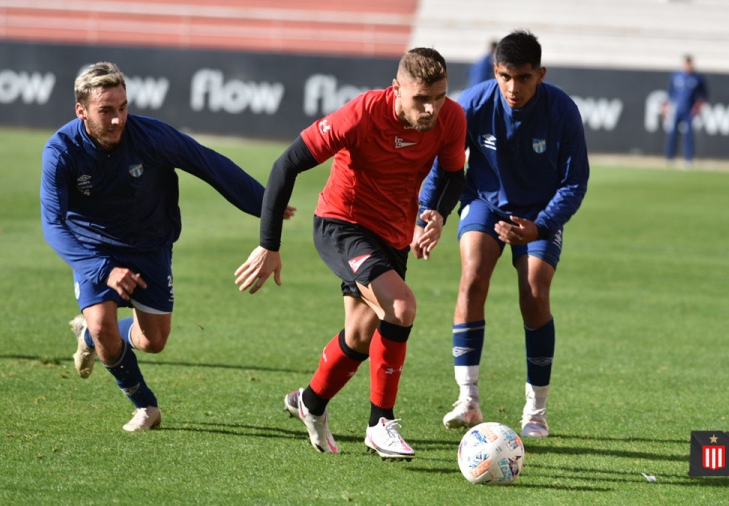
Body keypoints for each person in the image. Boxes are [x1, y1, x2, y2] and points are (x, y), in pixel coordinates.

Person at [234, 48, 467, 460]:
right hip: (343, 224)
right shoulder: (361, 113)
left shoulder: (450, 117)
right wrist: (269, 244)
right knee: (401, 305)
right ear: (396, 89)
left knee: (361, 336)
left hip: (393, 236)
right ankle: (381, 423)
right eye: (421, 99)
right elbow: (286, 164)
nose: (432, 108)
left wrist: (439, 214)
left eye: (440, 96)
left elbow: (453, 173)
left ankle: (311, 401)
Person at [41, 61, 292, 431]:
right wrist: (103, 269)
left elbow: (208, 164)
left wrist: (264, 203)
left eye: (123, 107)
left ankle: (87, 336)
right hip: (95, 251)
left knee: (153, 341)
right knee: (105, 328)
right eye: (105, 111)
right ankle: (145, 405)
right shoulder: (61, 151)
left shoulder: (151, 136)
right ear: (81, 111)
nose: (117, 119)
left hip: (150, 246)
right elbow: (53, 225)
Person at [418, 30, 589, 438]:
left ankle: (535, 412)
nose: (514, 88)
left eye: (524, 78)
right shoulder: (472, 104)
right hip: (485, 203)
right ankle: (469, 400)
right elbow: (443, 163)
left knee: (534, 292)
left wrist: (541, 225)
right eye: (505, 76)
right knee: (472, 276)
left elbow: (574, 183)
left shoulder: (562, 111)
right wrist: (429, 212)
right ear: (495, 71)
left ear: (540, 74)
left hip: (539, 212)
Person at [662, 54, 709, 166]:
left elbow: (703, 95)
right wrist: (666, 106)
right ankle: (670, 158)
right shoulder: (676, 76)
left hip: (689, 111)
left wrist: (698, 107)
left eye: (689, 63)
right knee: (672, 134)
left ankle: (688, 159)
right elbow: (670, 93)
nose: (687, 66)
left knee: (688, 135)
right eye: (686, 63)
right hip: (676, 109)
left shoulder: (697, 78)